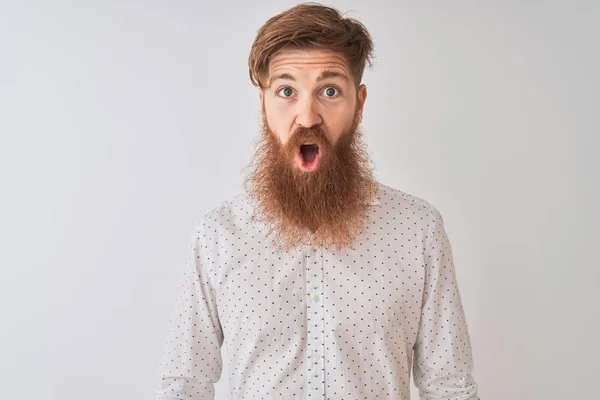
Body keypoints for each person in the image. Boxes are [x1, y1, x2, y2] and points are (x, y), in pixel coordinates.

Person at [155, 3, 479, 399]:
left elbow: (449, 386)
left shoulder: (418, 230)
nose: (307, 116)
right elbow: (184, 384)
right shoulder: (218, 234)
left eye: (329, 91)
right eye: (287, 91)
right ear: (263, 104)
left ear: (359, 103)